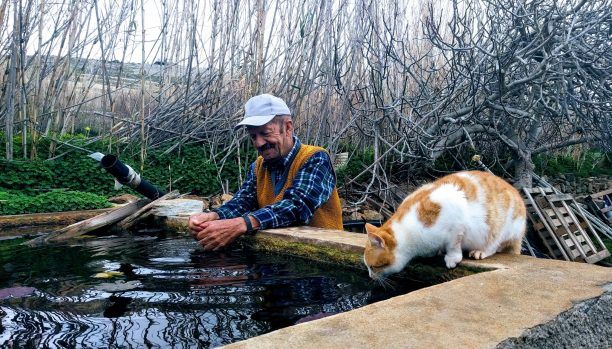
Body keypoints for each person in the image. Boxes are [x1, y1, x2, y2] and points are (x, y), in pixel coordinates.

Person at [188, 93, 343, 251]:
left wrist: (242, 224)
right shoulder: (258, 166)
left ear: (288, 127)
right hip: (282, 257)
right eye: (253, 136)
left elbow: (296, 206)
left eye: (266, 133)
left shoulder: (315, 158)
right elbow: (242, 202)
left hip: (325, 257)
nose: (259, 143)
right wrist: (213, 216)